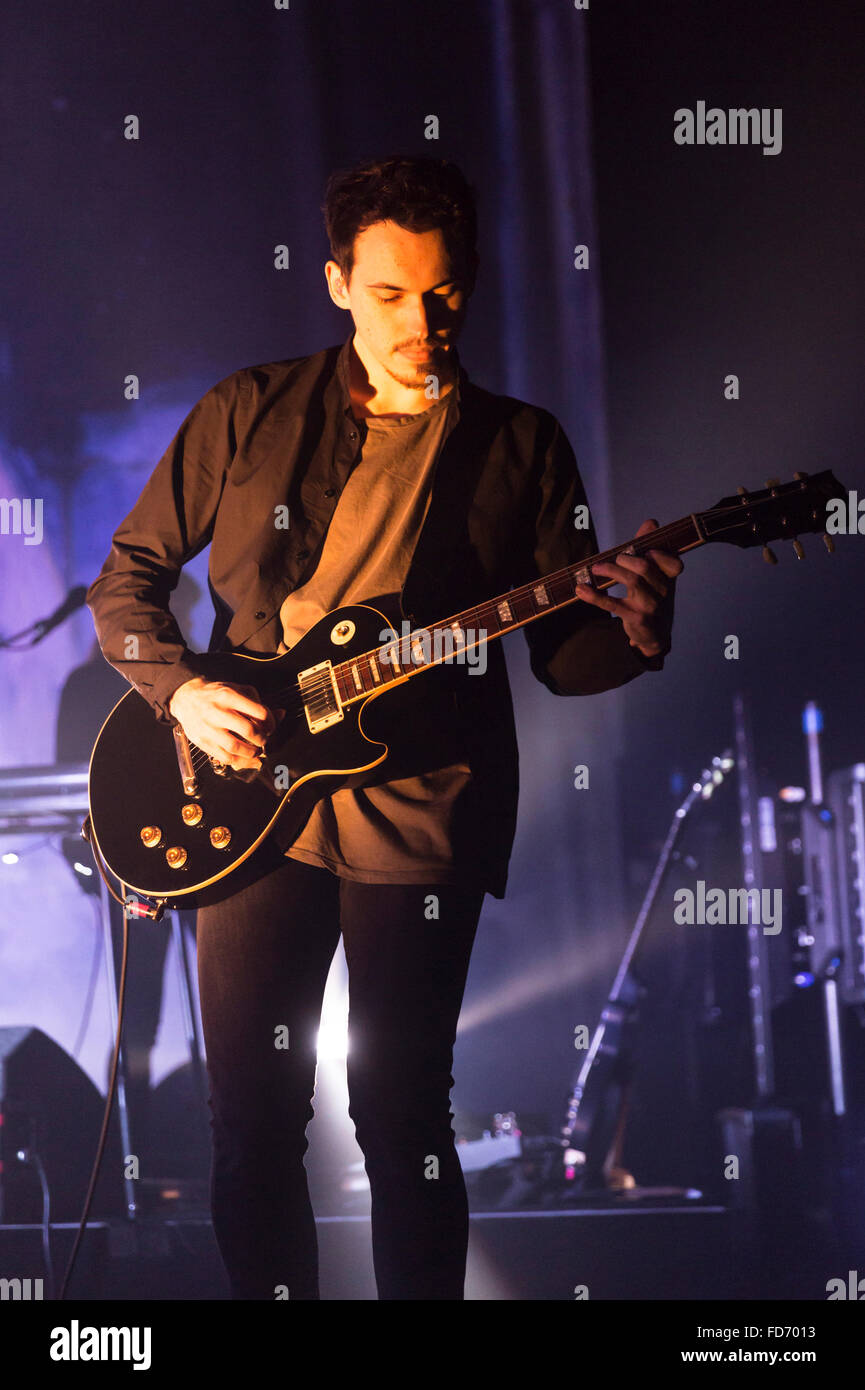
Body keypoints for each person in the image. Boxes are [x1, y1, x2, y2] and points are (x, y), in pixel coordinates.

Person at [86, 155, 683, 1300]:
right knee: (251, 1117)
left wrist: (644, 629)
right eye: (391, 295)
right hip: (248, 793)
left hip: (420, 804)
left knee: (403, 1112)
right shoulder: (246, 410)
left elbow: (565, 658)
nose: (422, 321)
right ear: (335, 285)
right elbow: (127, 585)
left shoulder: (522, 446)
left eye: (444, 293)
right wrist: (179, 691)